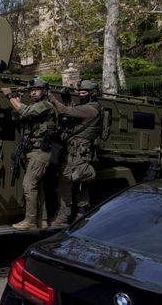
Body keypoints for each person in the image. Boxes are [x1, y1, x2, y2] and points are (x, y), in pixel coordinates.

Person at [1, 78, 58, 230]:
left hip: (41, 152)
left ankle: (30, 221)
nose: (33, 92)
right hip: (33, 152)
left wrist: (9, 97)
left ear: (44, 91)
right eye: (31, 90)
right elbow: (21, 117)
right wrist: (16, 102)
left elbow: (25, 111)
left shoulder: (46, 105)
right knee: (37, 188)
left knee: (28, 185)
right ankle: (42, 220)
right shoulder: (36, 106)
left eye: (36, 89)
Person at [48, 80, 102, 225]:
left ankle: (64, 217)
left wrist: (51, 97)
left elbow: (65, 111)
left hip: (77, 153)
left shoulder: (91, 109)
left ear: (92, 94)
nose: (80, 94)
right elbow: (73, 112)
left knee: (65, 183)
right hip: (76, 151)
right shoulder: (88, 107)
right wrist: (67, 99)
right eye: (80, 91)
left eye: (84, 92)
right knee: (78, 184)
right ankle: (80, 214)